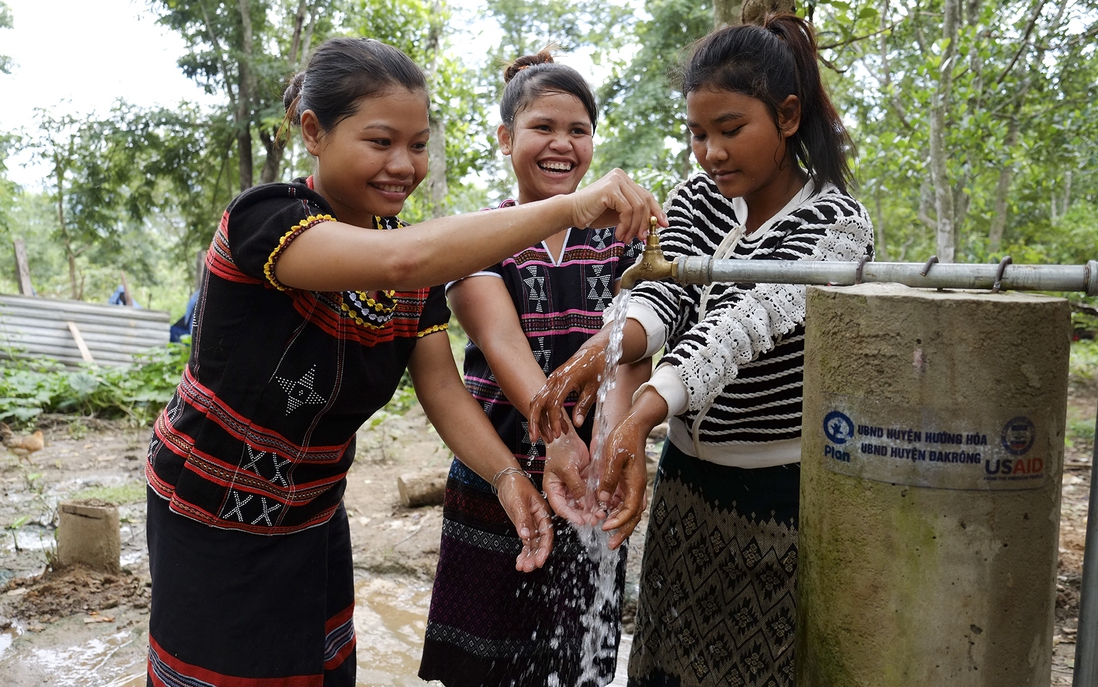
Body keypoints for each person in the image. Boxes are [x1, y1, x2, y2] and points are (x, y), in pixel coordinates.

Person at [143, 37, 665, 687]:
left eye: (417, 145)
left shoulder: (407, 271)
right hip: (213, 509)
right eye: (380, 141)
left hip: (311, 508)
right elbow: (403, 260)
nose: (403, 165)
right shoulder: (268, 220)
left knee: (319, 668)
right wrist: (567, 206)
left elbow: (442, 387)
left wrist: (508, 477)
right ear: (314, 131)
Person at [529, 15, 875, 686]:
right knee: (666, 663)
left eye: (729, 129)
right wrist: (604, 347)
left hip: (778, 498)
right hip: (688, 487)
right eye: (696, 133)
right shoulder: (698, 200)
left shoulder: (836, 222)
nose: (710, 152)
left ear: (788, 115)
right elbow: (660, 299)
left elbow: (743, 326)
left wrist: (640, 413)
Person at [418, 50, 650, 687]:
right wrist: (557, 438)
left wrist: (606, 447)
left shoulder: (623, 239)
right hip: (497, 462)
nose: (562, 144)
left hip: (594, 468)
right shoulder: (482, 235)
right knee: (482, 656)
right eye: (542, 127)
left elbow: (630, 353)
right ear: (505, 138)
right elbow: (500, 341)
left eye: (578, 131)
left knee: (576, 657)